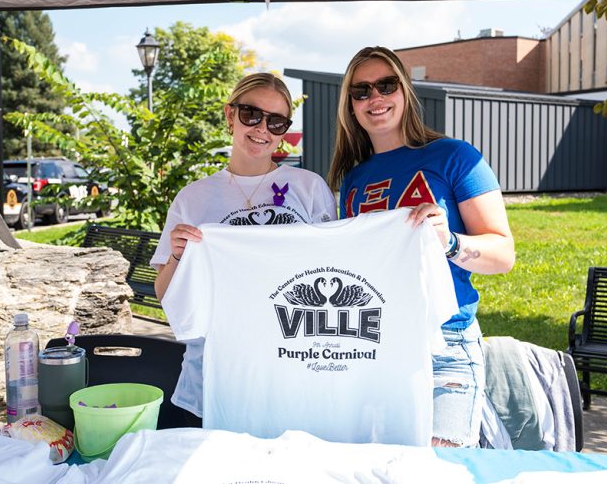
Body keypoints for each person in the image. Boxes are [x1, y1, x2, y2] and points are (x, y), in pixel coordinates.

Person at [328, 46, 515, 448]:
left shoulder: (455, 157)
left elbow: (503, 255)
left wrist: (450, 242)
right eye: (361, 91)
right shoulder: (353, 179)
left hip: (447, 345)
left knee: (439, 470)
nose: (375, 98)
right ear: (350, 106)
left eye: (386, 85)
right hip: (375, 347)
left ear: (405, 91)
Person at [152, 72, 337, 423]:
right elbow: (165, 293)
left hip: (294, 367)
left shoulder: (310, 189)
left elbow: (333, 272)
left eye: (277, 121)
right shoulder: (193, 198)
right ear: (230, 115)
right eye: (252, 114)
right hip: (216, 368)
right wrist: (177, 256)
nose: (262, 129)